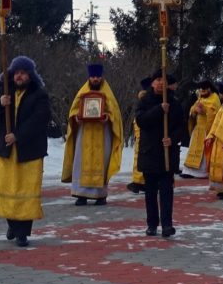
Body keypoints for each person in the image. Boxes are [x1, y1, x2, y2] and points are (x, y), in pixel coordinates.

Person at [0, 56, 51, 247]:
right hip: (6, 151)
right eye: (16, 73)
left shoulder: (39, 94)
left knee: (25, 192)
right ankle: (12, 223)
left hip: (29, 152)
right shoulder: (5, 91)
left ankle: (22, 233)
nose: (19, 76)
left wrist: (17, 136)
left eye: (23, 73)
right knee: (5, 189)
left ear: (30, 75)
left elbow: (40, 119)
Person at [136, 69, 188, 237]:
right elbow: (142, 121)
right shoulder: (145, 100)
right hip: (150, 152)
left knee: (166, 191)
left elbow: (182, 127)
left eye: (163, 79)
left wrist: (172, 139)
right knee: (150, 192)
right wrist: (159, 109)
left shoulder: (174, 102)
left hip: (167, 154)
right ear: (152, 83)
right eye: (157, 79)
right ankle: (152, 224)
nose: (160, 82)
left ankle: (167, 225)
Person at [62, 64, 123, 206]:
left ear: (102, 77)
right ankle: (81, 195)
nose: (95, 79)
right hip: (84, 133)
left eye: (98, 77)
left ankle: (100, 195)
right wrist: (77, 117)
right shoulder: (82, 93)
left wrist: (107, 117)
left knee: (102, 163)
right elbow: (73, 111)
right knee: (81, 162)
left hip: (103, 134)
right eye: (93, 77)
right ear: (89, 77)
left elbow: (115, 114)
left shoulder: (108, 94)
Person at [181, 80, 221, 179]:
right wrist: (194, 110)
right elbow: (192, 109)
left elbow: (216, 114)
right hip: (198, 128)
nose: (202, 92)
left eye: (204, 90)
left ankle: (202, 172)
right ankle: (189, 171)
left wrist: (204, 111)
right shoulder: (200, 98)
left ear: (209, 89)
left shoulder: (215, 98)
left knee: (204, 153)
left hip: (208, 129)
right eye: (201, 90)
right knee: (192, 150)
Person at [127, 77, 151, 194]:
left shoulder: (150, 102)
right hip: (140, 135)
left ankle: (142, 183)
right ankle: (138, 182)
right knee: (139, 159)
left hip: (147, 136)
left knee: (145, 159)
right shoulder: (144, 102)